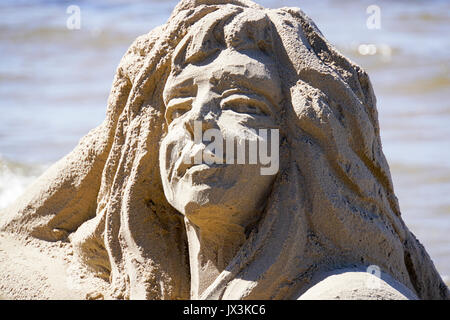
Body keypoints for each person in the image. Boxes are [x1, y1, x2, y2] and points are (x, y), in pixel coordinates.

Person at [1, 0, 448, 300]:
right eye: (178, 108)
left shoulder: (349, 294)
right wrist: (125, 130)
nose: (198, 122)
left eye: (241, 104)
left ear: (299, 144)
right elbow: (11, 245)